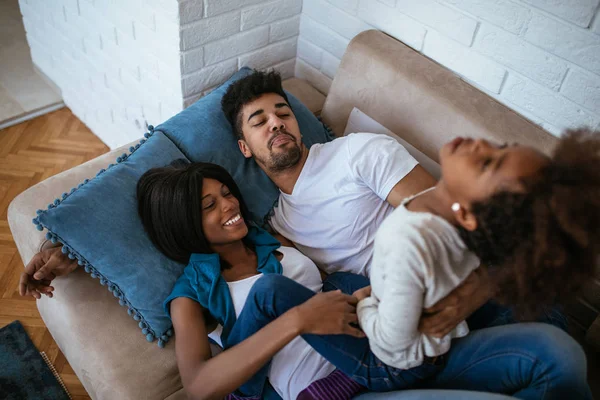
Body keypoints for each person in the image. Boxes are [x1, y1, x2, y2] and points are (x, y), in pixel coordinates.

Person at [138, 160, 589, 400]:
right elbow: (198, 386)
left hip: (383, 341)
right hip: (333, 387)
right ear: (183, 225)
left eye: (225, 193)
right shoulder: (190, 296)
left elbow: (341, 278)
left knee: (559, 353)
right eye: (208, 206)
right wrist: (298, 320)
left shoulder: (272, 237)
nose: (228, 204)